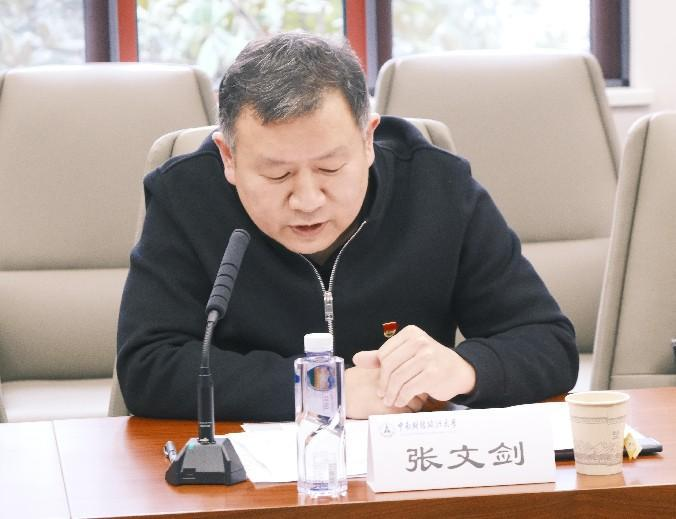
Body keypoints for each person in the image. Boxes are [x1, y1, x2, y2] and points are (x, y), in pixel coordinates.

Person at [117, 32, 578, 421]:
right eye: (276, 174)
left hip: (409, 467)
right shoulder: (186, 198)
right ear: (229, 157)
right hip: (252, 472)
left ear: (368, 139)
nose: (307, 200)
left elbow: (548, 343)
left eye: (331, 168)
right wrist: (323, 388)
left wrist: (464, 368)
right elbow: (147, 367)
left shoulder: (439, 188)